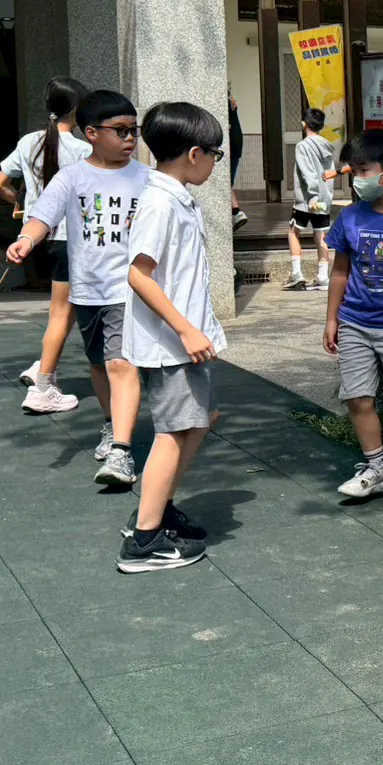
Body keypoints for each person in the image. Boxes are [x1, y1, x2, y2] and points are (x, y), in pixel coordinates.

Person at [7, 89, 152, 486]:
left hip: (128, 289)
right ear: (91, 133)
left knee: (121, 363)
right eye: (120, 130)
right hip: (87, 289)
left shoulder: (147, 178)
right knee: (99, 364)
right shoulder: (72, 177)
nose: (130, 138)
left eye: (134, 130)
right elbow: (42, 216)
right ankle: (110, 423)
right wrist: (26, 240)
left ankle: (122, 451)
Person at [116, 103, 227, 573]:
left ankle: (157, 509)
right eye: (215, 154)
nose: (216, 164)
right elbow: (139, 275)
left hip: (182, 339)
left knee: (198, 421)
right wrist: (185, 329)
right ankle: (144, 539)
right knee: (176, 432)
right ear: (194, 153)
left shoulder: (175, 196)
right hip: (172, 342)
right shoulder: (161, 202)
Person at [324, 129, 383, 499]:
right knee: (358, 397)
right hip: (355, 323)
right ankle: (377, 467)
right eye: (354, 170)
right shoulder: (350, 217)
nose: (356, 179)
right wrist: (332, 319)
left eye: (363, 171)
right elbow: (340, 271)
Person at [0, 76, 91, 414]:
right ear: (77, 111)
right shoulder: (83, 150)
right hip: (69, 238)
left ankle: (42, 367)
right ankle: (43, 386)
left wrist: (20, 204)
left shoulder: (28, 142)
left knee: (62, 312)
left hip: (36, 237)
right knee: (62, 314)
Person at [284, 109, 337, 291]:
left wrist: (312, 195)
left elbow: (308, 172)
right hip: (324, 199)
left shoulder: (303, 146)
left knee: (293, 231)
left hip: (307, 199)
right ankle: (323, 276)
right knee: (321, 235)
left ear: (303, 124)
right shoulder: (326, 145)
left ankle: (297, 274)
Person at [229, 94, 248, 231]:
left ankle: (237, 212)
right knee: (228, 181)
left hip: (231, 146)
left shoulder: (226, 103)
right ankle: (236, 213)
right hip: (236, 144)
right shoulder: (231, 102)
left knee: (227, 181)